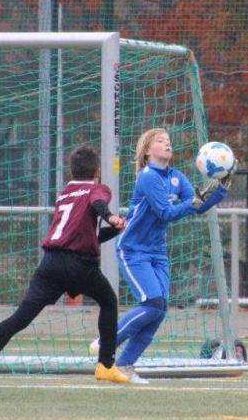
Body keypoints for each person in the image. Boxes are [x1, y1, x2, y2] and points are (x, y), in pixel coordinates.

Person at [0, 145, 131, 395]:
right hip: (79, 264)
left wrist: (113, 230)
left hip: (50, 264)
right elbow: (98, 203)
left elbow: (84, 235)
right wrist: (111, 217)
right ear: (97, 171)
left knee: (21, 317)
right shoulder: (97, 189)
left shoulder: (65, 194)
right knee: (109, 302)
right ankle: (106, 365)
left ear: (71, 172)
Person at [89, 128, 230, 385]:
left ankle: (125, 365)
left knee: (160, 309)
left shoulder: (176, 177)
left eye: (168, 140)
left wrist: (219, 190)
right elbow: (166, 212)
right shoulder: (148, 177)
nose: (167, 143)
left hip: (157, 252)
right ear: (147, 151)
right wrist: (197, 200)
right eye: (160, 140)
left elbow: (196, 207)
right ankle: (105, 342)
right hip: (133, 248)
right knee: (152, 303)